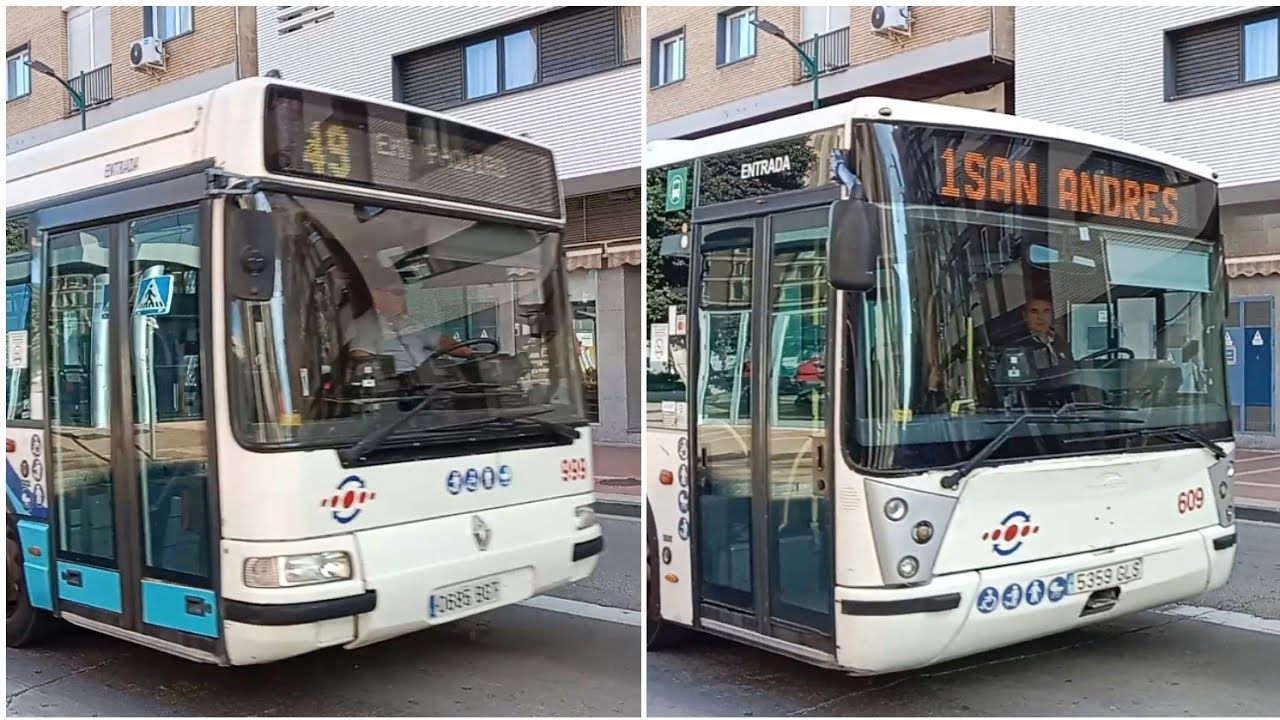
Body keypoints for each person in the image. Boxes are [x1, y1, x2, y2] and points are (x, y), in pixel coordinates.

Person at [1013, 295, 1073, 370]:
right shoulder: (1018, 345)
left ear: (1052, 315)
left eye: (1046, 311)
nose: (1040, 317)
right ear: (1025, 316)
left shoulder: (1061, 342)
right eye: (1034, 312)